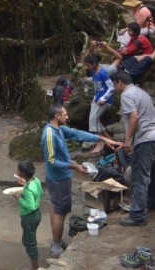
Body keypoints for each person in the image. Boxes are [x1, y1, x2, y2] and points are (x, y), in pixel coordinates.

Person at [41, 103, 121, 259]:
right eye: (65, 114)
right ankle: (56, 246)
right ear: (57, 116)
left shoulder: (60, 129)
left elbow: (77, 134)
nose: (67, 117)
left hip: (59, 177)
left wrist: (102, 138)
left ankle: (56, 241)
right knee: (60, 211)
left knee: (56, 206)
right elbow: (51, 161)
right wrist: (74, 166)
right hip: (58, 178)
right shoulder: (49, 135)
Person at [112, 71, 155, 226]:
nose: (115, 88)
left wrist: (128, 139)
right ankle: (153, 202)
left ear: (120, 82)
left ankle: (138, 215)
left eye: (115, 84)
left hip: (145, 138)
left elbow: (134, 117)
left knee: (140, 176)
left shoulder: (126, 95)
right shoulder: (141, 92)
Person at [14, 159, 43, 270]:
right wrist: (25, 184)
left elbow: (31, 206)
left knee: (30, 243)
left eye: (18, 170)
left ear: (22, 173)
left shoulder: (28, 188)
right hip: (36, 215)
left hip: (29, 217)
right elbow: (41, 193)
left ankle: (35, 267)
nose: (17, 171)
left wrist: (19, 199)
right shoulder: (36, 181)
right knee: (27, 240)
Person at [84, 54, 114, 152]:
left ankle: (100, 142)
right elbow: (96, 87)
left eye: (88, 65)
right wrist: (94, 97)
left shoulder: (102, 73)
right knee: (93, 120)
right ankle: (109, 140)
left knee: (93, 119)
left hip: (104, 101)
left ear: (94, 64)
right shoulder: (93, 73)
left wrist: (104, 98)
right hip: (97, 99)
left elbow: (111, 87)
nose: (87, 68)